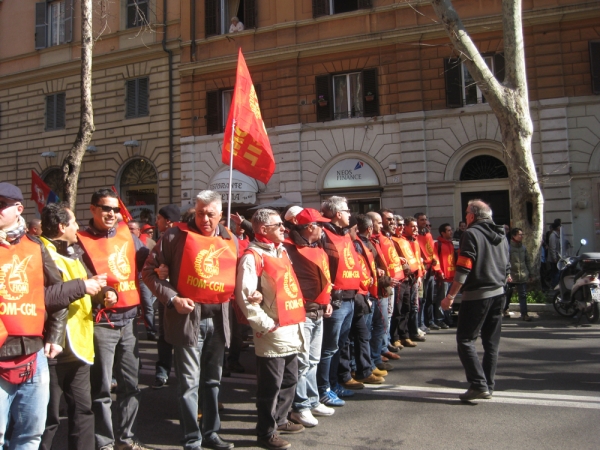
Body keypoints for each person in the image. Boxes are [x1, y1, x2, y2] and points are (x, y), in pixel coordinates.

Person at [143, 191, 237, 450]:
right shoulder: (174, 236)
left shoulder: (231, 239)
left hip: (219, 320)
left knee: (213, 382)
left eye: (210, 213)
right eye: (199, 213)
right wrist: (173, 299)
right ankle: (191, 439)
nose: (204, 218)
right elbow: (149, 272)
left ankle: (211, 433)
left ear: (220, 214)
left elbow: (239, 276)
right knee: (189, 384)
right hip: (188, 321)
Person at [0, 183, 88, 449]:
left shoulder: (35, 246)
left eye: (1, 205)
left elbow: (56, 293)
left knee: (31, 434)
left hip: (34, 354)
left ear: (18, 209)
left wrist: (55, 335)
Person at [77, 188, 148, 450]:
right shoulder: (80, 241)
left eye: (115, 209)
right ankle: (105, 444)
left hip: (129, 321)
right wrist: (99, 295)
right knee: (102, 390)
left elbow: (146, 263)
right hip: (101, 324)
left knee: (130, 385)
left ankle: (126, 440)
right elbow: (78, 281)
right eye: (105, 208)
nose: (111, 213)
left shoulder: (128, 236)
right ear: (93, 209)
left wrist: (161, 265)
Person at [39, 203, 109, 450]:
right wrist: (82, 286)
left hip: (78, 344)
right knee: (48, 419)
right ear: (61, 227)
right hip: (52, 347)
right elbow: (44, 295)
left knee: (82, 412)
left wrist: (105, 294)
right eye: (73, 223)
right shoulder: (39, 251)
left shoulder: (75, 250)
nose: (78, 227)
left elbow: (90, 282)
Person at [236, 208, 305, 450]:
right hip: (273, 333)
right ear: (263, 230)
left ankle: (282, 419)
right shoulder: (251, 257)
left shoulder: (280, 251)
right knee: (270, 387)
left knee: (290, 379)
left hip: (290, 328)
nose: (284, 228)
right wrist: (267, 326)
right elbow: (245, 298)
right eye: (279, 225)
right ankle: (266, 432)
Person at [442, 200, 510, 402]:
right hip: (498, 293)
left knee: (465, 340)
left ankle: (478, 384)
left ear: (472, 216)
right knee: (491, 343)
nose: (465, 216)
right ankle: (487, 384)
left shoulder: (470, 234)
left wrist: (450, 296)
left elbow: (464, 268)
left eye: (466, 213)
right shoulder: (502, 234)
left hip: (478, 295)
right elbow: (507, 266)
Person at [283, 208, 335, 428]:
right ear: (310, 227)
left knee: (312, 360)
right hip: (303, 311)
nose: (323, 229)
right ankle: (300, 406)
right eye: (320, 225)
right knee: (303, 362)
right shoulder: (289, 248)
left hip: (318, 310)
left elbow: (322, 275)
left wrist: (327, 301)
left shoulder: (315, 246)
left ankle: (312, 400)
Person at [316, 196, 362, 406]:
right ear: (337, 214)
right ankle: (323, 388)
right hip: (335, 300)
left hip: (350, 297)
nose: (350, 214)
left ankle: (333, 384)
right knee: (329, 347)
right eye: (347, 210)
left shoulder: (344, 234)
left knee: (340, 345)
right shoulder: (323, 235)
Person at [152, 204, 181, 389]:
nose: (157, 223)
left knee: (179, 337)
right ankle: (162, 372)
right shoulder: (161, 240)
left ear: (167, 221)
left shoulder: (181, 238)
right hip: (166, 295)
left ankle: (179, 375)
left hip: (181, 296)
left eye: (159, 219)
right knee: (164, 335)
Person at [390, 217, 424, 347]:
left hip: (409, 278)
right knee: (397, 310)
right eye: (399, 225)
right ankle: (395, 337)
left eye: (402, 225)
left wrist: (417, 274)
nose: (401, 227)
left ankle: (405, 335)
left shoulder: (404, 240)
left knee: (407, 308)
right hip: (399, 279)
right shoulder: (392, 240)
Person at [128, 220, 158, 341]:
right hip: (133, 280)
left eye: (132, 229)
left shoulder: (149, 243)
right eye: (128, 228)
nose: (129, 231)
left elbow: (156, 259)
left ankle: (150, 328)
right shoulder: (122, 242)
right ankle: (144, 330)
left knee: (149, 305)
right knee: (140, 307)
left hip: (145, 279)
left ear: (138, 230)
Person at [415, 212, 440, 332]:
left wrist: (435, 263)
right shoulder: (414, 236)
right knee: (421, 299)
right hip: (421, 270)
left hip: (430, 270)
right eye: (421, 220)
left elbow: (432, 251)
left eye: (425, 220)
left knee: (428, 298)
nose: (424, 222)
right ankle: (420, 323)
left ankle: (428, 321)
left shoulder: (428, 235)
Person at [507, 228, 533, 321]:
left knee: (523, 295)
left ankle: (524, 314)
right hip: (512, 275)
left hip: (522, 275)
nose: (521, 236)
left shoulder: (523, 248)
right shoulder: (509, 247)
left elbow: (527, 261)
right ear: (514, 236)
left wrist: (530, 273)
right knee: (508, 294)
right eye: (519, 234)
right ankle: (505, 309)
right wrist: (507, 274)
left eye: (522, 234)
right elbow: (506, 262)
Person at [433, 223, 455, 329]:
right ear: (443, 233)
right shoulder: (438, 245)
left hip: (451, 276)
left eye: (451, 230)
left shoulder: (450, 244)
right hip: (443, 277)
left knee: (449, 299)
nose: (451, 232)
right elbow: (436, 259)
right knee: (441, 299)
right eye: (448, 230)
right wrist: (439, 271)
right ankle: (439, 319)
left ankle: (448, 318)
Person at [548, 219, 561, 287]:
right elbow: (552, 248)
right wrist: (554, 258)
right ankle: (554, 285)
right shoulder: (553, 236)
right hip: (554, 259)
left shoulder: (558, 235)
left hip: (558, 257)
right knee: (556, 272)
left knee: (556, 272)